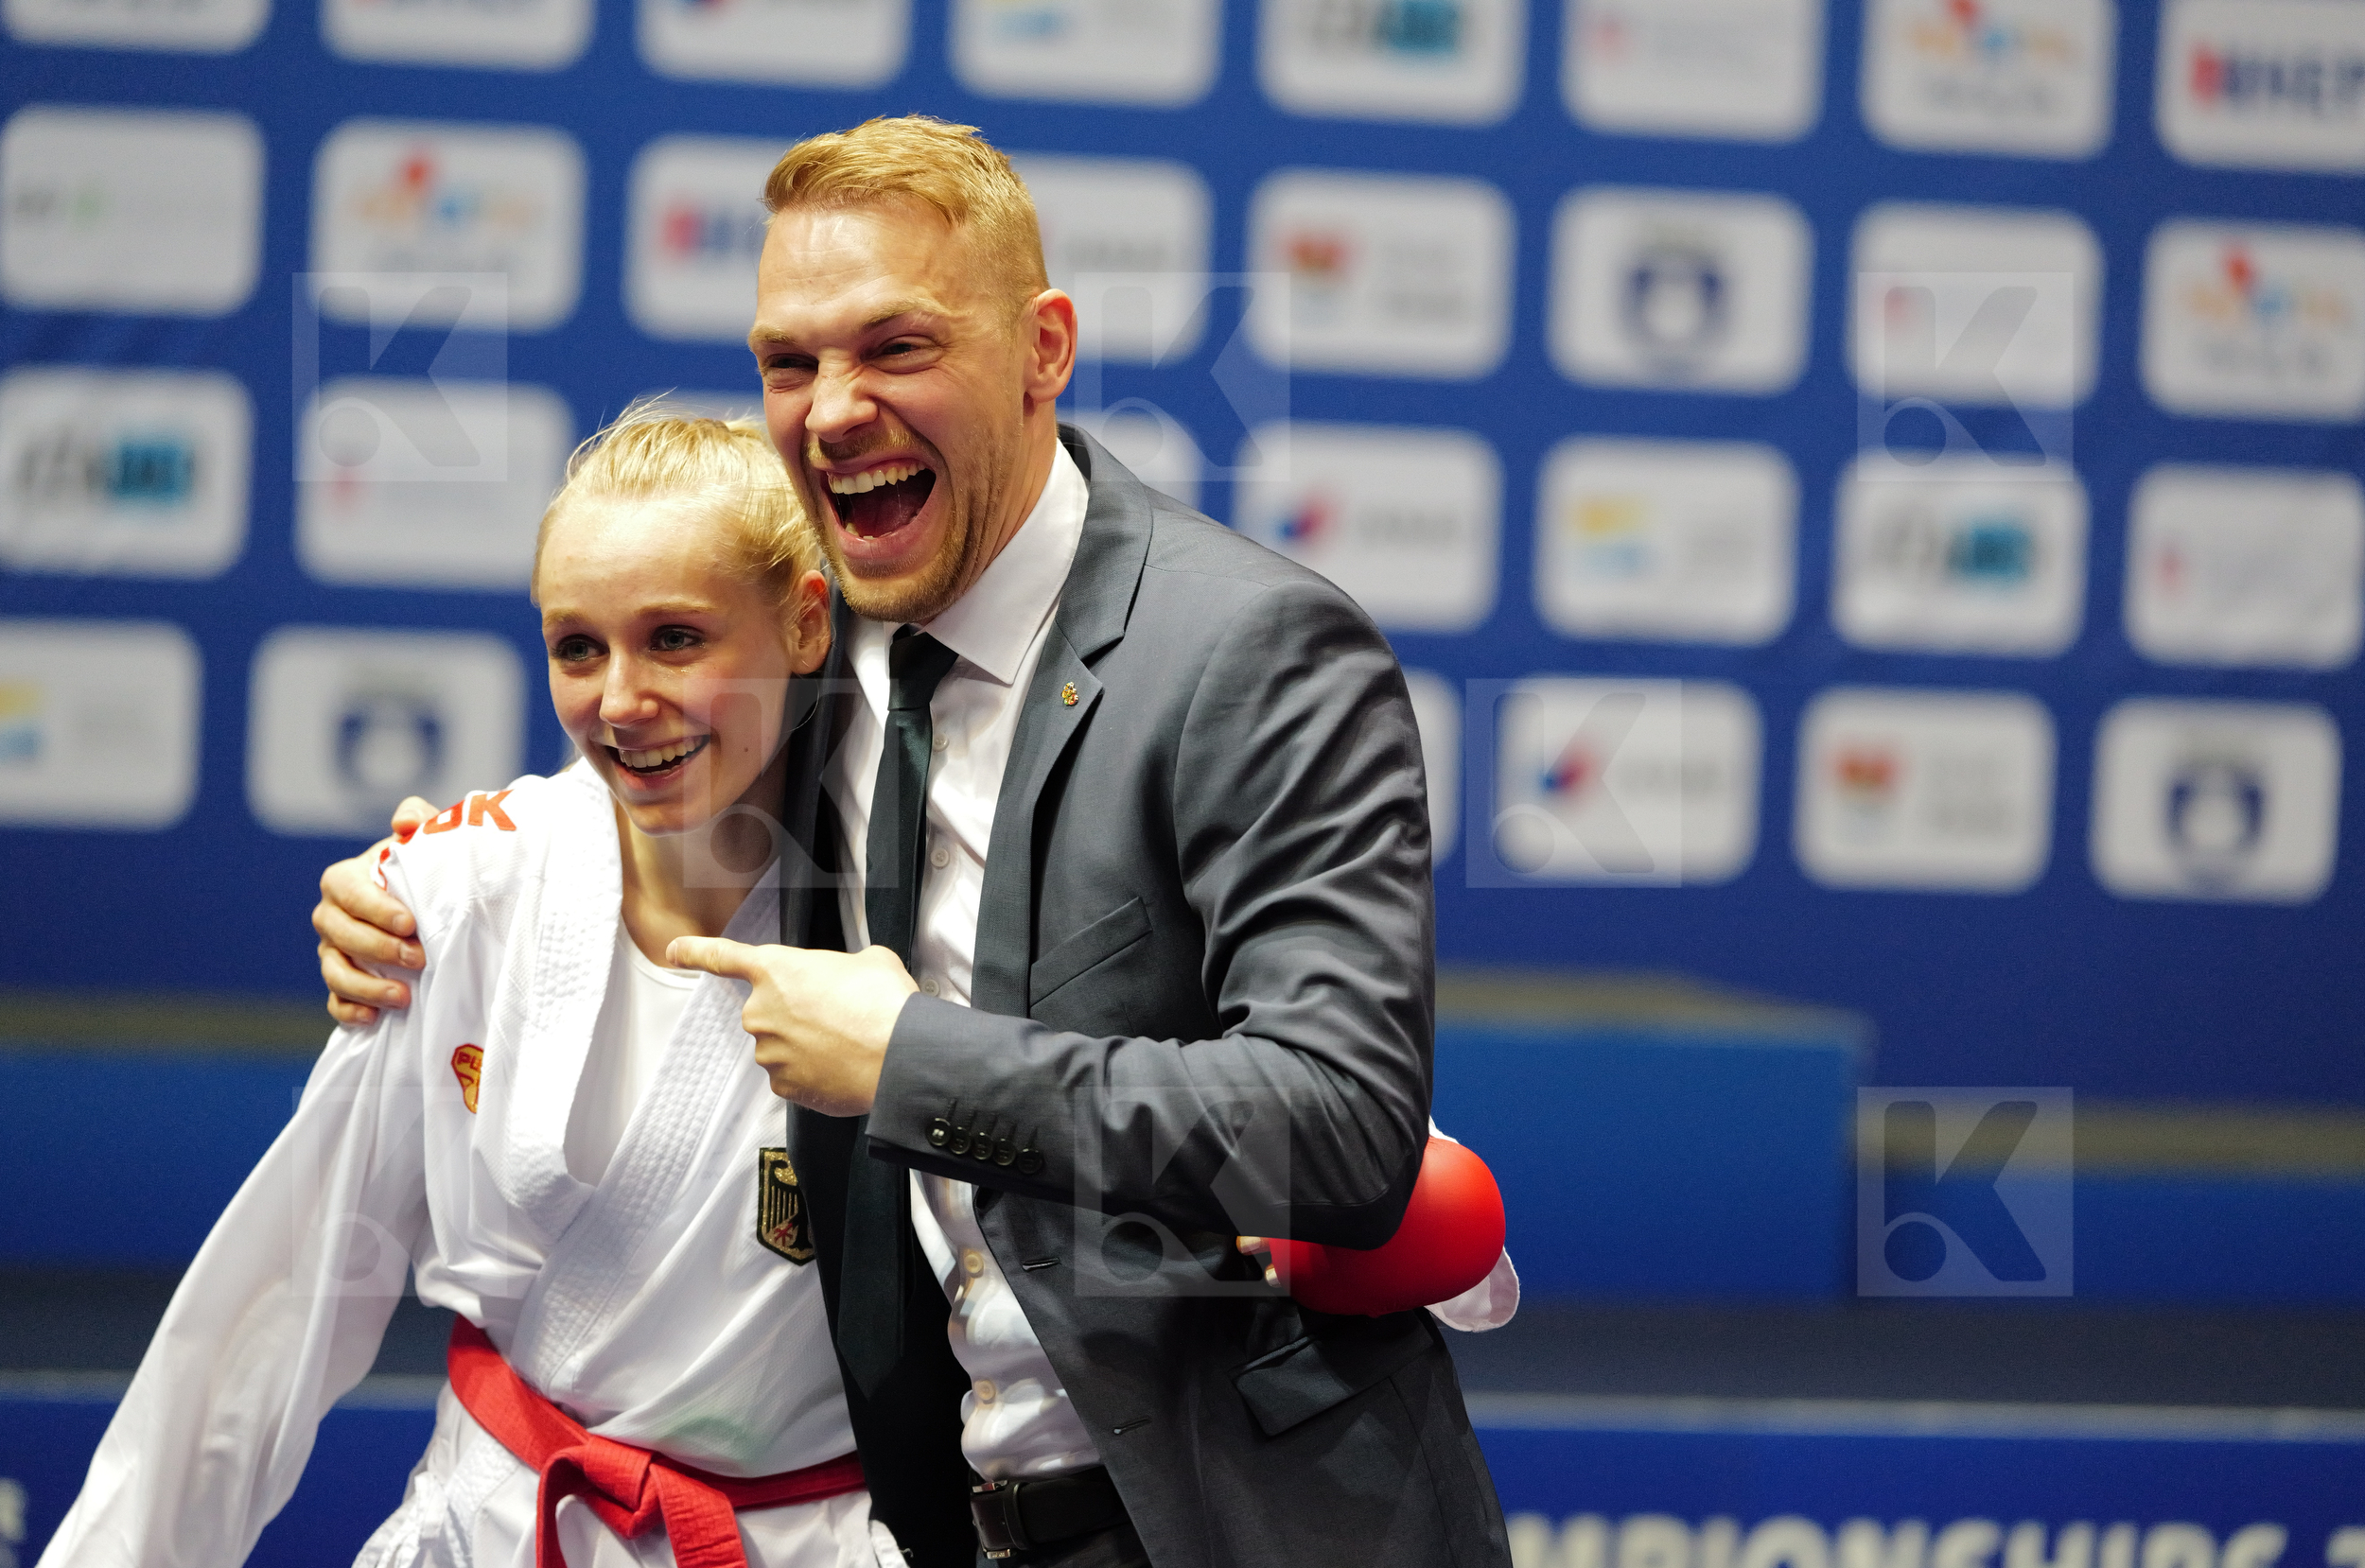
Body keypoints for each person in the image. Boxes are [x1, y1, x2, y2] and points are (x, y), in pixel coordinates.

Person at [318, 116, 1517, 1568]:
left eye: (894, 349)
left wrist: (912, 1062)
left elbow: (1344, 1125)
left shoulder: (1251, 650)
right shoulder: (818, 630)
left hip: (1236, 1522)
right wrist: (431, 876)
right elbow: (633, 765)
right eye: (789, 361)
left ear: (1043, 348)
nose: (831, 410)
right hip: (934, 1523)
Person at [47, 410, 903, 1568]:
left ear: (806, 619)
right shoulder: (456, 894)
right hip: (495, 1526)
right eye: (578, 646)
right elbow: (279, 1302)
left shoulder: (906, 926)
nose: (620, 699)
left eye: (676, 637)